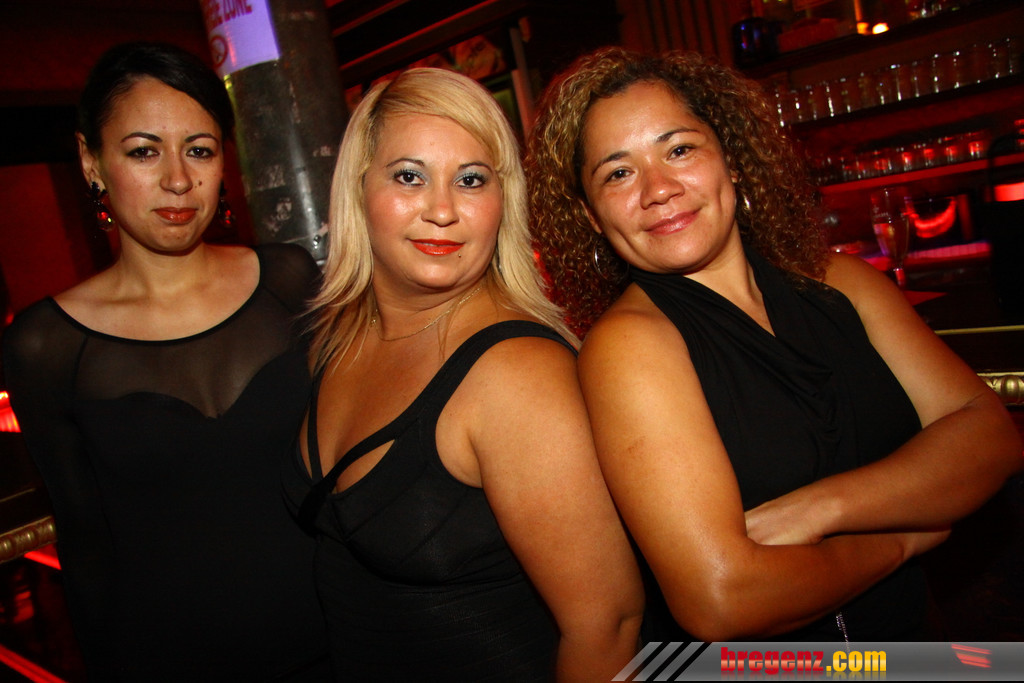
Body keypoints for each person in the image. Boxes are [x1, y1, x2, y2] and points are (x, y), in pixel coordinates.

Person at [527, 46, 1023, 642]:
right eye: (618, 173)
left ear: (731, 159)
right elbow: (721, 600)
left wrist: (821, 508)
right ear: (590, 214)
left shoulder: (843, 283)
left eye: (679, 149)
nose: (658, 189)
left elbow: (990, 434)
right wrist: (901, 539)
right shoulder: (630, 345)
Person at [284, 66, 643, 681]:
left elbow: (608, 629)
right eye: (409, 176)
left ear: (503, 202)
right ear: (357, 189)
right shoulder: (336, 338)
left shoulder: (517, 374)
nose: (443, 210)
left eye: (471, 180)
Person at [1, 42, 329, 678]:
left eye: (199, 150)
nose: (178, 179)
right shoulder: (45, 345)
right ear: (91, 161)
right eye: (144, 151)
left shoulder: (289, 281)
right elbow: (87, 546)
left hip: (337, 642)